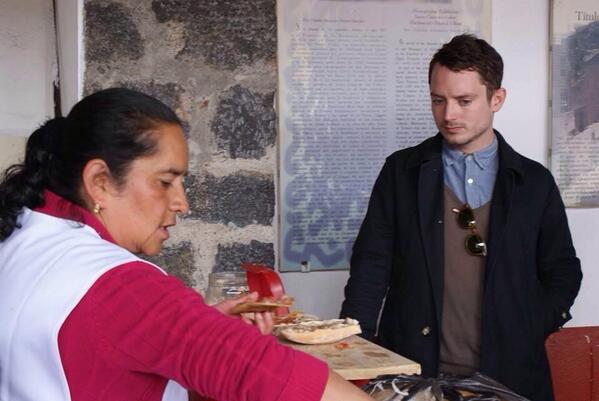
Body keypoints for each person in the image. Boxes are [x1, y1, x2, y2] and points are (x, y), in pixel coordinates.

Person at [0, 88, 374, 401]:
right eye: (165, 182)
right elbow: (270, 375)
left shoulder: (23, 235)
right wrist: (200, 332)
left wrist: (200, 327)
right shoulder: (119, 285)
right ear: (99, 181)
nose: (182, 203)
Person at [340, 34, 582, 401]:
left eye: (464, 101)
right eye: (439, 100)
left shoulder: (534, 183)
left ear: (496, 98)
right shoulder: (400, 172)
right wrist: (355, 347)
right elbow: (372, 264)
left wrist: (529, 326)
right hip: (412, 372)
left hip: (510, 375)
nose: (448, 114)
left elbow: (563, 270)